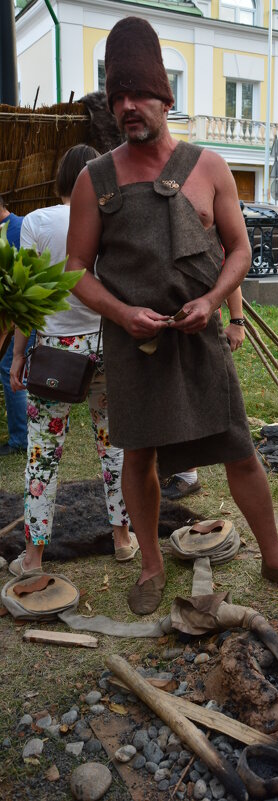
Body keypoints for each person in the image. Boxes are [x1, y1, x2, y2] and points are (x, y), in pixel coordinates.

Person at [64, 16, 278, 613]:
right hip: (135, 343)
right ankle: (151, 567)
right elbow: (75, 267)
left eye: (140, 95)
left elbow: (240, 249)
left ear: (166, 98)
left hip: (200, 337)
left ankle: (276, 559)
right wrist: (123, 313)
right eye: (118, 96)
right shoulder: (93, 180)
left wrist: (212, 302)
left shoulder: (207, 167)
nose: (129, 106)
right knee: (139, 453)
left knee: (238, 447)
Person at [8, 144, 136, 577]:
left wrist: (18, 356)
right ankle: (122, 539)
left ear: (61, 178)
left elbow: (29, 301)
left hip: (54, 357)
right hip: (107, 348)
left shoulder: (36, 223)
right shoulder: (110, 219)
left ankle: (33, 557)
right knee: (114, 446)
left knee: (42, 456)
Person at [160, 287, 245, 500]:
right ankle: (164, 467)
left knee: (189, 399)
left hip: (198, 327)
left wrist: (237, 321)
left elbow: (230, 266)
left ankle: (187, 475)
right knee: (165, 400)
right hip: (161, 326)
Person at [0, 197, 34, 456]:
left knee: (11, 367)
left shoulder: (12, 233)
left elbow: (17, 288)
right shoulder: (22, 224)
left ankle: (21, 438)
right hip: (30, 311)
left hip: (27, 313)